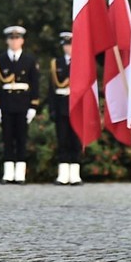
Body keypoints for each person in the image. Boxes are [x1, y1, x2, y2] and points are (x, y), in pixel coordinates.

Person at [0, 25, 40, 183]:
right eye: (11, 38)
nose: (14, 41)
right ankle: (8, 172)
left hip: (23, 103)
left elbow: (35, 84)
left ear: (22, 40)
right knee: (7, 138)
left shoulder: (29, 60)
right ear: (7, 40)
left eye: (17, 38)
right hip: (6, 103)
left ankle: (20, 173)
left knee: (21, 138)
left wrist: (33, 106)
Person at [49, 31, 82, 185]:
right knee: (62, 140)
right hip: (61, 105)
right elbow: (52, 89)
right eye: (66, 45)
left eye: (71, 44)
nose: (68, 48)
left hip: (77, 106)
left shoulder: (82, 63)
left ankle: (75, 174)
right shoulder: (56, 63)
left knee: (75, 141)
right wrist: (52, 109)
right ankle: (63, 174)